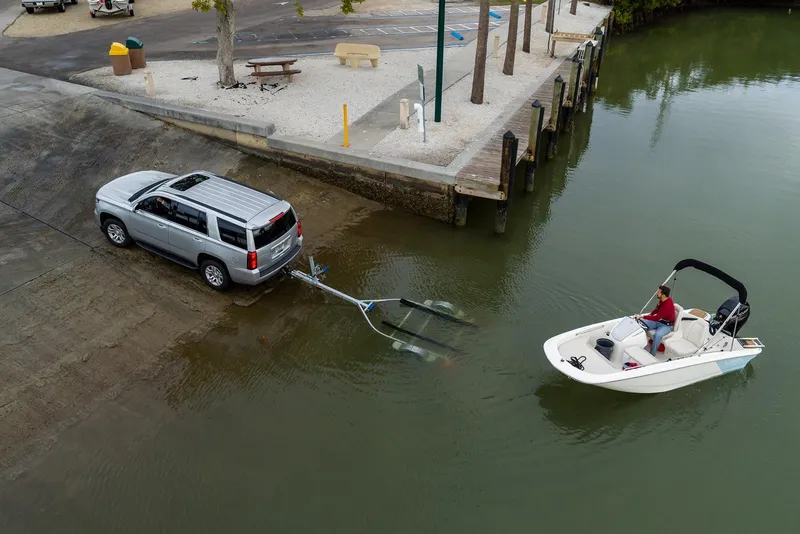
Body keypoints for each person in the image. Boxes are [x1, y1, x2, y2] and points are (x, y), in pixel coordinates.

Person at [634, 285, 676, 355]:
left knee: (657, 335)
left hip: (666, 326)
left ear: (663, 295)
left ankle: (652, 354)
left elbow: (656, 318)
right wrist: (650, 314)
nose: (657, 293)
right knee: (641, 324)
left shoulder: (667, 306)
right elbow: (657, 310)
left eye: (659, 292)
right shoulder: (662, 300)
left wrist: (643, 316)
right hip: (659, 321)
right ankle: (639, 344)